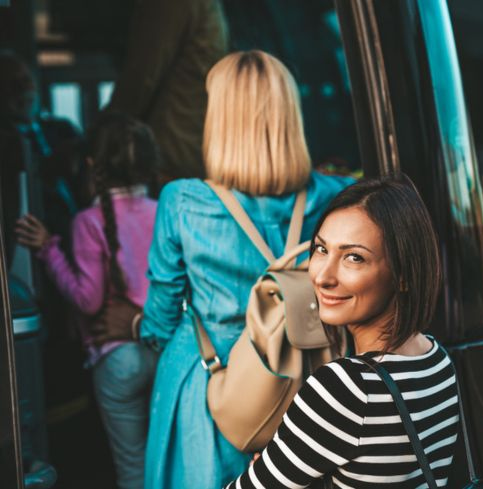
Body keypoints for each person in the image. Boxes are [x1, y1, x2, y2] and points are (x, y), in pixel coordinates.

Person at [91, 50, 353, 488]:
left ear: (220, 120)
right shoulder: (338, 196)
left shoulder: (181, 200)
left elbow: (160, 321)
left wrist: (137, 324)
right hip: (311, 382)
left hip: (212, 390)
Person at [225, 175, 460, 488]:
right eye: (321, 249)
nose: (323, 276)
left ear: (404, 275)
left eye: (354, 257)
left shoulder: (345, 388)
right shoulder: (438, 359)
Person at [15, 112, 160, 489]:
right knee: (166, 459)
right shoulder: (164, 213)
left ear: (92, 165)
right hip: (165, 353)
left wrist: (48, 249)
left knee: (133, 468)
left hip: (117, 361)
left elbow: (88, 299)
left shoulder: (88, 221)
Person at [109, 0, 228, 182]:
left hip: (172, 153)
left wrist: (101, 134)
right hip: (192, 148)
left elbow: (141, 76)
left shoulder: (172, 6)